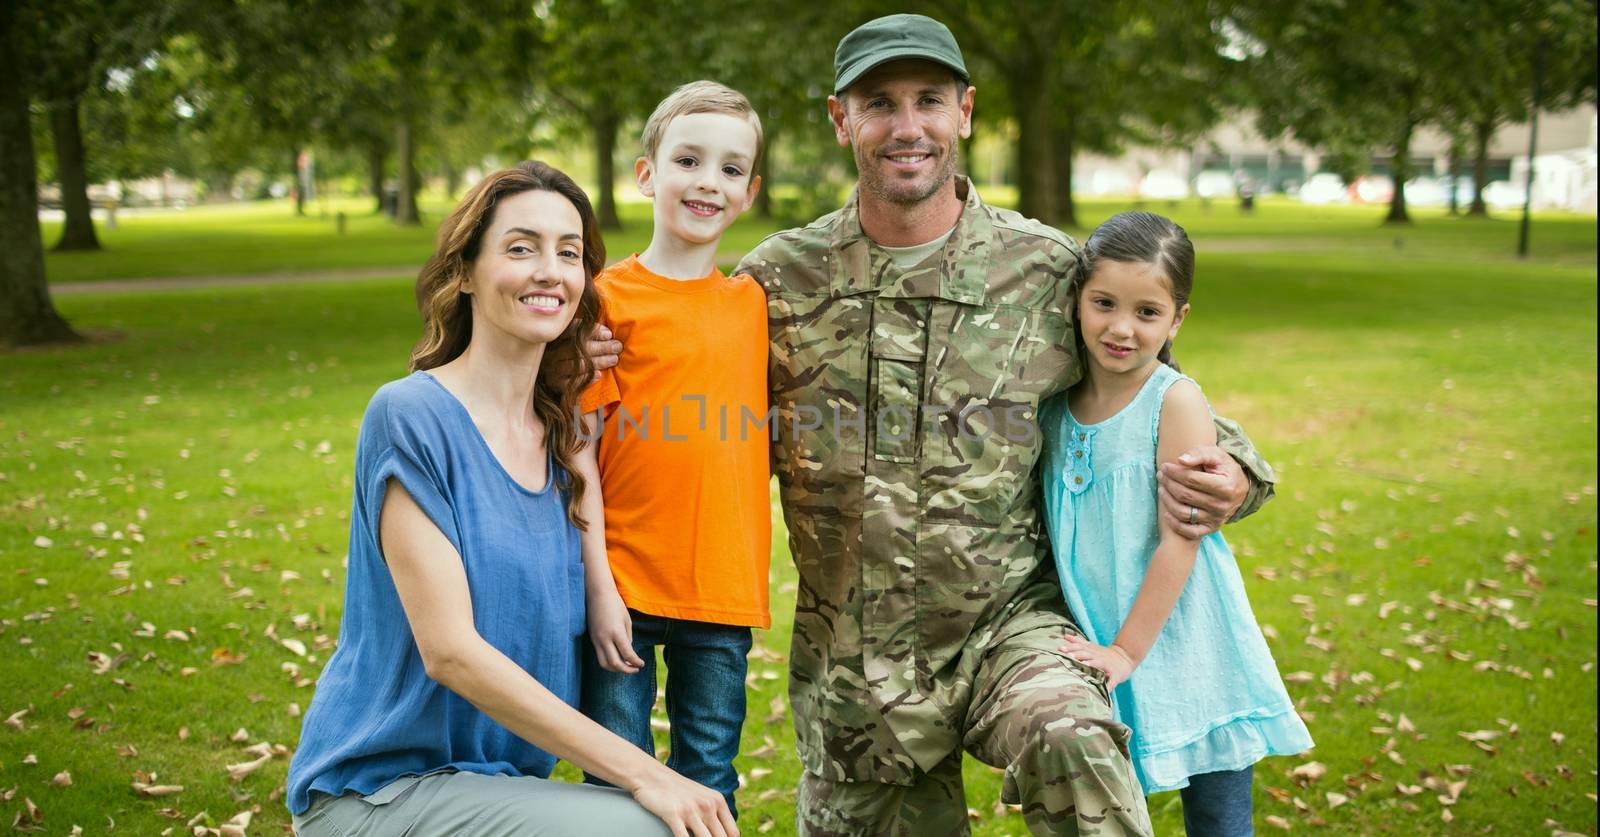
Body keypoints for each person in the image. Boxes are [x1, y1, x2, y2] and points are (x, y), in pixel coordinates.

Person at [732, 15, 1279, 836]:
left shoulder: (1048, 270)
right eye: (879, 103)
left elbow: (1157, 391)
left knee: (1077, 741)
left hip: (1010, 633)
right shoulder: (777, 282)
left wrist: (1234, 470)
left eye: (930, 100)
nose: (907, 126)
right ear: (841, 120)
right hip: (857, 665)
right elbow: (670, 379)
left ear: (968, 111)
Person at [285, 161, 738, 837]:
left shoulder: (563, 442)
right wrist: (649, 772)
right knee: (650, 828)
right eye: (520, 248)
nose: (549, 271)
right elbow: (450, 651)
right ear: (464, 271)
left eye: (569, 253)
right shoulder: (411, 416)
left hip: (499, 789)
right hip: (379, 793)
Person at [1044, 212, 1313, 837]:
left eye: (1146, 312)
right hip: (1103, 626)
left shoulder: (1174, 399)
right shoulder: (1057, 398)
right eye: (1104, 303)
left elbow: (1181, 539)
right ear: (1077, 300)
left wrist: (1125, 651)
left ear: (1177, 320)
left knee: (1217, 817)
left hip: (1188, 638)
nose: (1120, 328)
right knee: (1114, 804)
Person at [575, 81, 769, 818]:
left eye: (729, 169)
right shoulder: (603, 302)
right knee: (616, 785)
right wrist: (598, 587)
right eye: (689, 159)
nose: (707, 182)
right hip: (622, 581)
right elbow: (578, 455)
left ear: (749, 192)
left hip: (721, 588)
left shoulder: (754, 303)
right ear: (647, 173)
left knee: (710, 780)